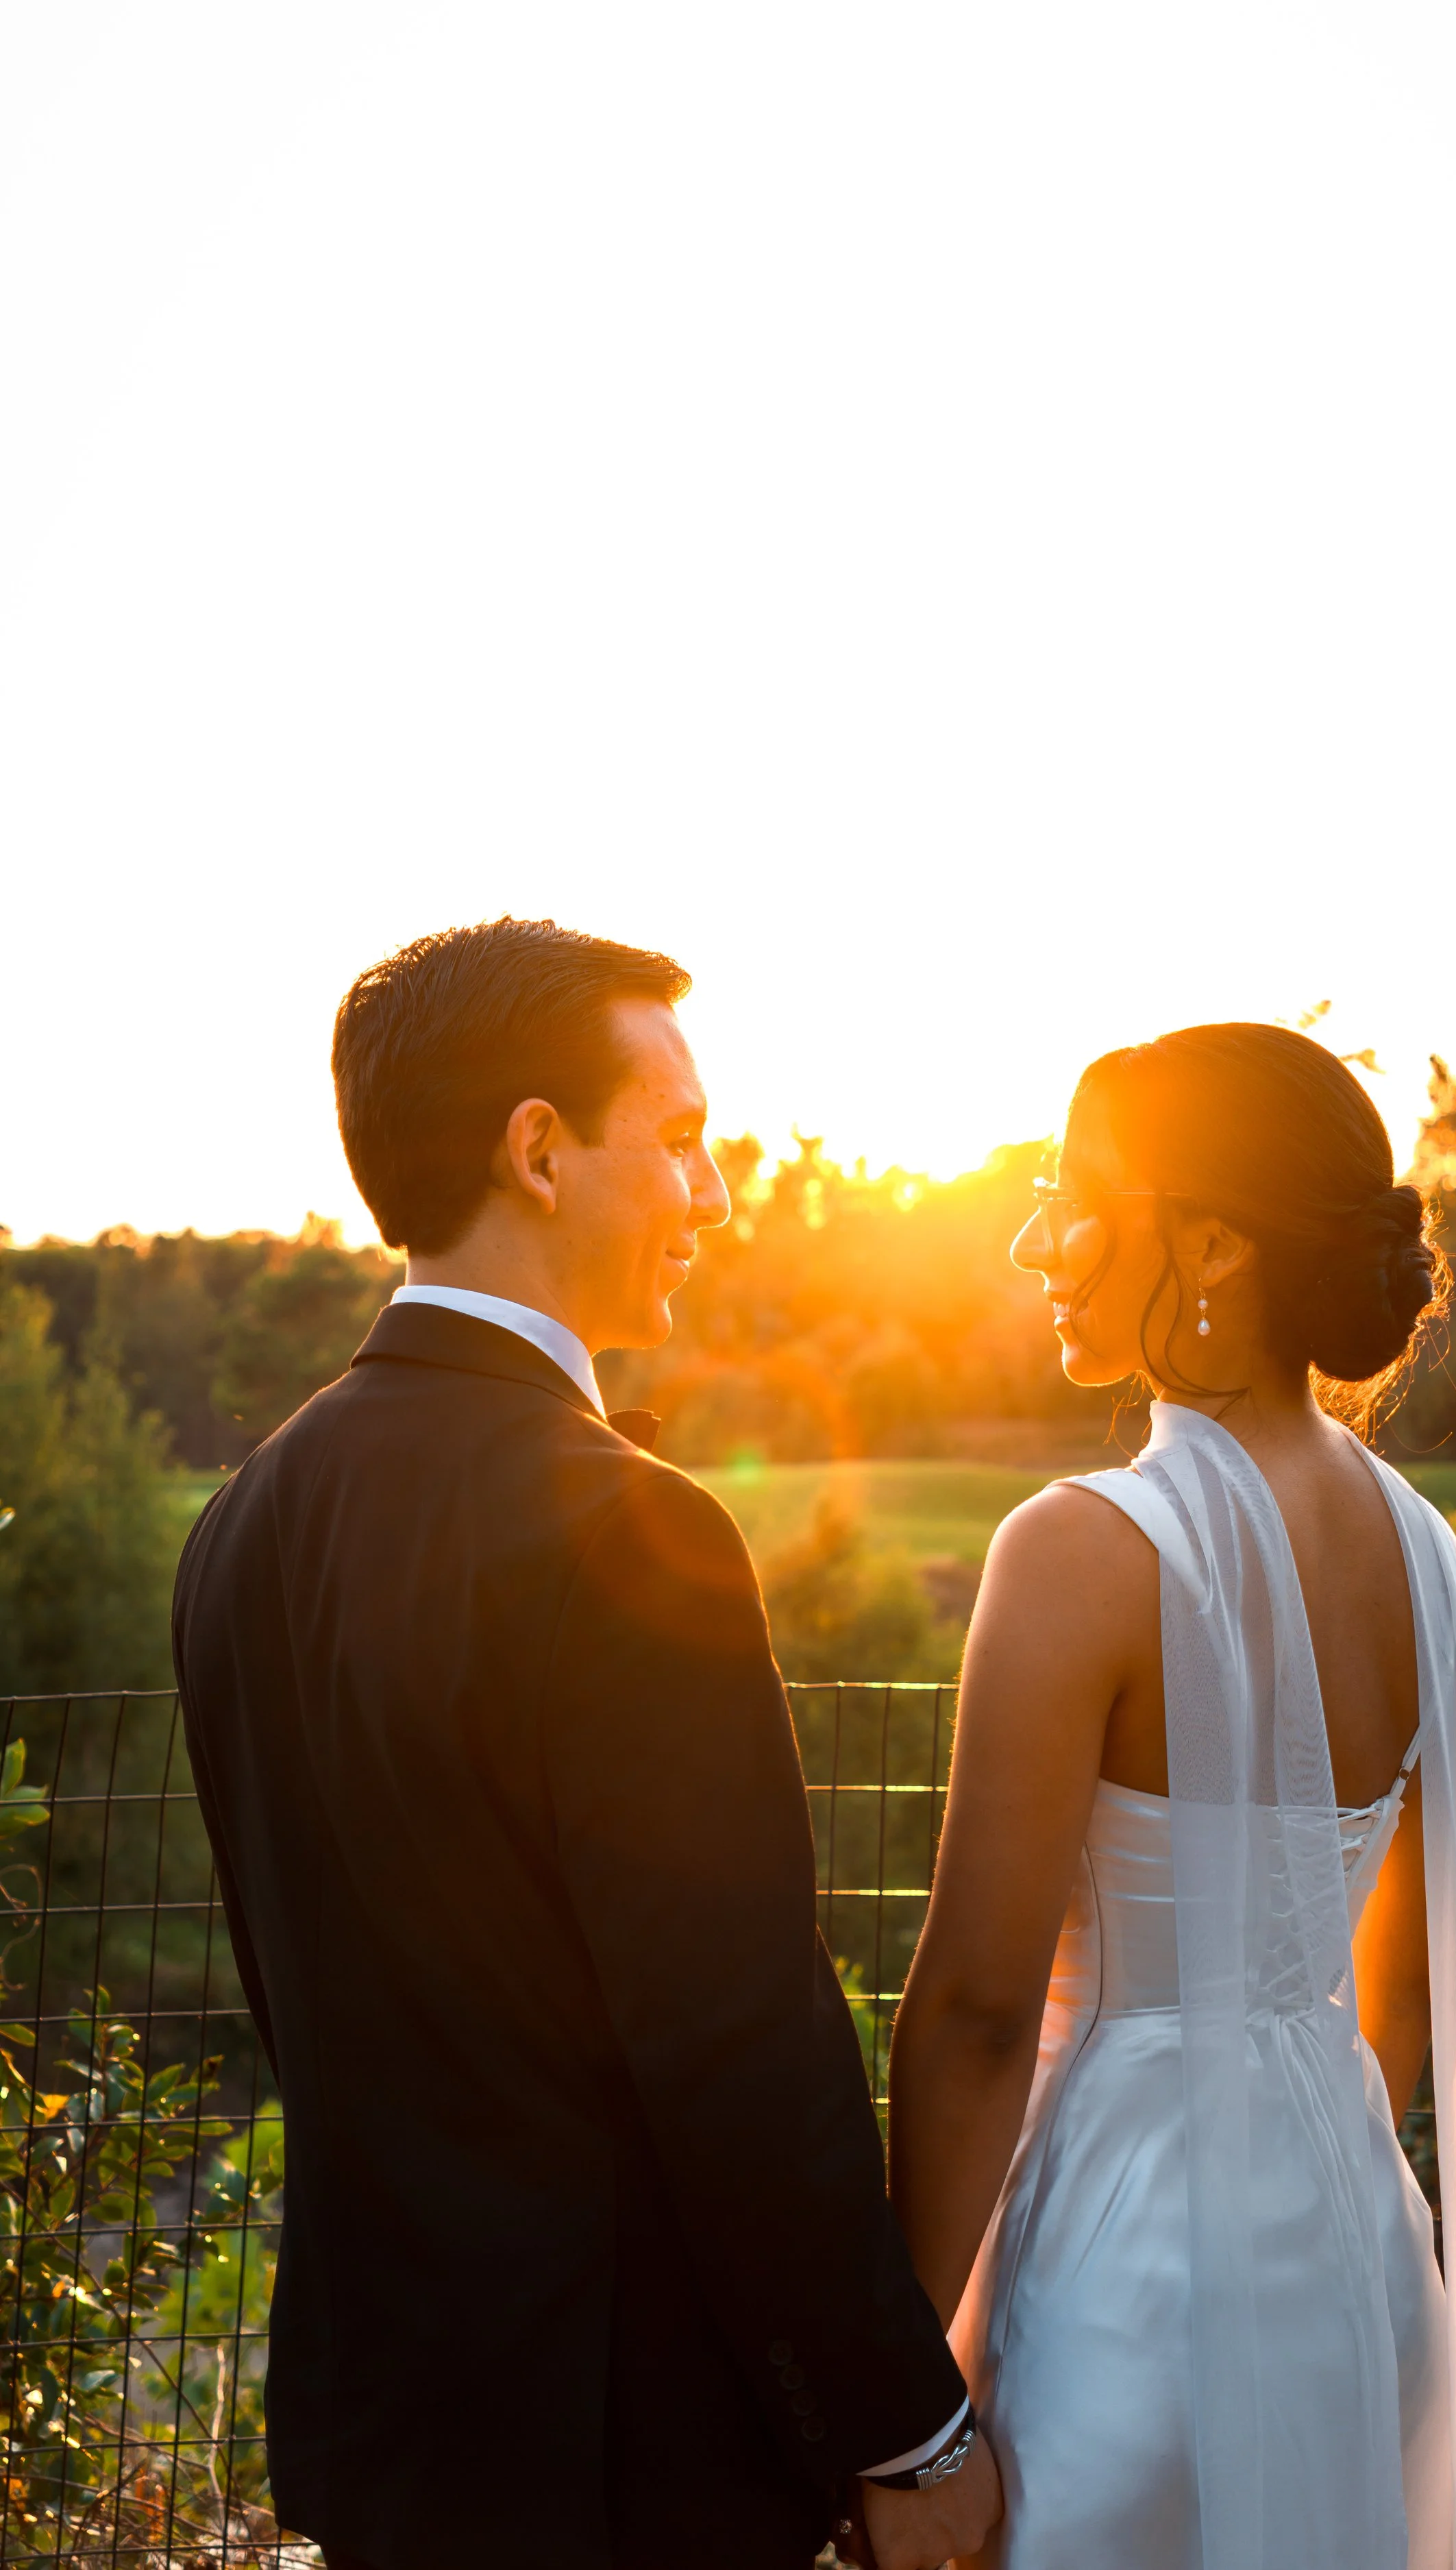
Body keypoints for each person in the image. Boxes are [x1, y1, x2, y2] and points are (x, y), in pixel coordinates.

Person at [172, 919, 1000, 2570]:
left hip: (384, 2450)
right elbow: (736, 2040)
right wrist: (904, 2427)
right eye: (682, 1141)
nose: (711, 1197)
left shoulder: (242, 1524)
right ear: (539, 1151)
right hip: (627, 2467)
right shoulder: (636, 1529)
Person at [887, 1023, 1456, 2570]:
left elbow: (978, 2011)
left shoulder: (1077, 1552)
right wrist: (1285, 2158)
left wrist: (898, 2404)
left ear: (1207, 1245)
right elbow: (1399, 1976)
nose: (1033, 1241)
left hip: (1131, 2261)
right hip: (1346, 2243)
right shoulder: (1424, 1555)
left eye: (1071, 1197)